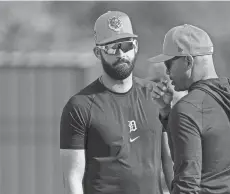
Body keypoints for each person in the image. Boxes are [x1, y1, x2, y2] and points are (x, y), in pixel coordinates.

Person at [60, 11, 173, 194]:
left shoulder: (156, 96)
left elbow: (170, 160)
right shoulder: (79, 106)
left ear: (135, 47)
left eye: (126, 45)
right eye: (112, 48)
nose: (121, 53)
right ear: (98, 53)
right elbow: (73, 177)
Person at [148, 24, 230, 194]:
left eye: (169, 63)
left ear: (188, 61)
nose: (167, 72)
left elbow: (186, 185)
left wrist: (172, 114)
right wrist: (166, 113)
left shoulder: (188, 108)